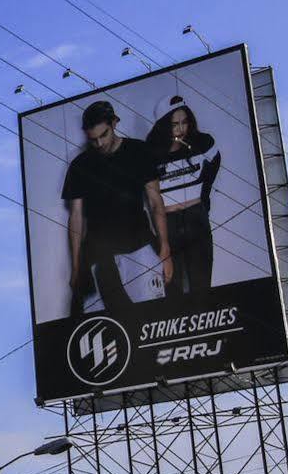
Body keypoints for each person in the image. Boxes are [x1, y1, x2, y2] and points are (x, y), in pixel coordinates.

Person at [63, 99, 170, 317]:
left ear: (115, 123)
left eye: (104, 135)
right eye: (93, 139)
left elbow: (155, 202)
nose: (100, 144)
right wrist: (75, 268)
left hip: (138, 248)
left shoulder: (139, 151)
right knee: (101, 323)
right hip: (97, 255)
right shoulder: (79, 165)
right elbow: (75, 219)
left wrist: (165, 248)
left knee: (151, 317)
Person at [145, 96, 221, 296]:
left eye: (184, 122)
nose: (180, 129)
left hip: (196, 218)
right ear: (163, 126)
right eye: (174, 124)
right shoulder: (150, 155)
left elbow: (212, 169)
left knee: (202, 287)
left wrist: (203, 200)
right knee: (172, 289)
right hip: (168, 223)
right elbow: (150, 200)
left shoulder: (203, 143)